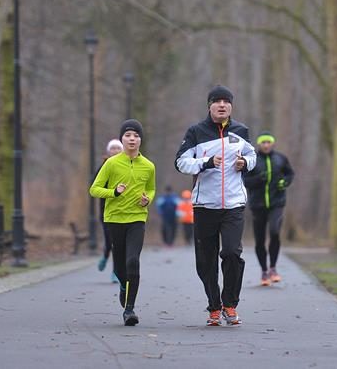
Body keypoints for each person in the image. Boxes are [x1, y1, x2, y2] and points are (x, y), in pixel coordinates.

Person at [175, 84, 256, 326]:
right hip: (204, 205)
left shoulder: (241, 130)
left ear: (231, 106)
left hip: (233, 204)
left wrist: (245, 163)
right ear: (209, 106)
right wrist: (206, 162)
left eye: (226, 101)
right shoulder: (196, 132)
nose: (222, 105)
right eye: (217, 101)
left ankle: (230, 304)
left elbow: (253, 156)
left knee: (231, 253)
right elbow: (180, 162)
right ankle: (214, 306)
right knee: (205, 261)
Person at [90, 119, 156, 326]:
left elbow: (151, 188)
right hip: (114, 219)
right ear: (122, 139)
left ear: (140, 140)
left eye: (136, 135)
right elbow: (94, 189)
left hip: (137, 218)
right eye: (128, 135)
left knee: (133, 261)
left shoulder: (148, 166)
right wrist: (114, 192)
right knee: (119, 267)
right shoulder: (111, 163)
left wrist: (148, 199)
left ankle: (129, 309)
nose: (132, 139)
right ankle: (122, 285)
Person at [243, 132, 295, 286]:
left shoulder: (280, 158)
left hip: (276, 203)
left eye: (268, 142)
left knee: (274, 231)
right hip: (257, 205)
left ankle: (273, 268)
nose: (266, 145)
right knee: (259, 240)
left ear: (272, 143)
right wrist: (258, 179)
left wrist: (284, 182)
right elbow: (244, 180)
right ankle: (264, 271)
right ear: (259, 144)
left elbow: (290, 174)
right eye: (263, 142)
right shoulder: (252, 160)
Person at [97, 139, 124, 282]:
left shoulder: (126, 165)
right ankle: (105, 256)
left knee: (118, 242)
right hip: (106, 211)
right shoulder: (103, 166)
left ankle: (116, 271)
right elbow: (95, 187)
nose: (115, 151)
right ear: (108, 151)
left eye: (118, 148)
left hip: (122, 210)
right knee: (110, 240)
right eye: (113, 148)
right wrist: (112, 191)